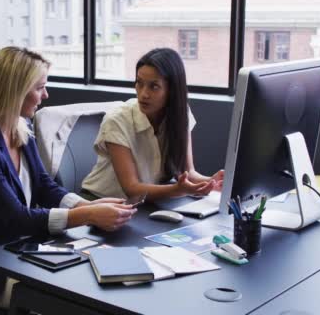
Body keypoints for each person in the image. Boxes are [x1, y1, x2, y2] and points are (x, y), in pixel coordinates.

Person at [0, 46, 137, 308]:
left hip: (9, 250)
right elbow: (15, 218)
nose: (45, 95)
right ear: (14, 91)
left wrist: (87, 205)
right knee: (73, 301)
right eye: (39, 87)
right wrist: (89, 215)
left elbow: (44, 186)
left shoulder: (19, 127)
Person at [81, 48, 224, 202]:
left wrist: (212, 182)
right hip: (97, 203)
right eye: (139, 83)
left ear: (172, 90)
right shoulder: (117, 121)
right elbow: (132, 188)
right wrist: (177, 190)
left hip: (143, 205)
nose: (143, 94)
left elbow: (188, 172)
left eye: (154, 86)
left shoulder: (180, 115)